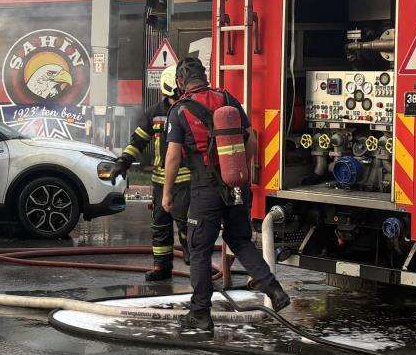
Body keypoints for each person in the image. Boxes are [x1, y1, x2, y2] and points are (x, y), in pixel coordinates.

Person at [162, 56, 290, 332]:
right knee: (240, 239)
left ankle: (200, 314)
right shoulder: (228, 98)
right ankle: (275, 290)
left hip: (205, 189)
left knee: (199, 249)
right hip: (236, 185)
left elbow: (173, 156)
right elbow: (251, 138)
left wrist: (167, 193)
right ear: (205, 76)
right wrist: (242, 174)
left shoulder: (180, 111)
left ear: (181, 82)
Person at [109, 63, 190, 281]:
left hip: (186, 181)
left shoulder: (190, 110)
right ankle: (162, 267)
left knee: (187, 224)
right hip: (160, 181)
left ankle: (194, 259)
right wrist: (123, 162)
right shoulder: (154, 113)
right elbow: (138, 140)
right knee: (160, 226)